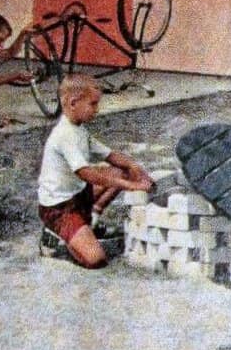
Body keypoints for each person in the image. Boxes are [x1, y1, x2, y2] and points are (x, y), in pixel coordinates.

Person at [37, 74, 155, 267]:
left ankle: (90, 221)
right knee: (96, 259)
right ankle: (55, 234)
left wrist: (133, 167)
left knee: (123, 171)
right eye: (93, 104)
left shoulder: (79, 129)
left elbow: (109, 155)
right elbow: (86, 173)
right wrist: (131, 186)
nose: (97, 110)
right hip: (59, 207)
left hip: (79, 195)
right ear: (73, 103)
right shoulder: (64, 134)